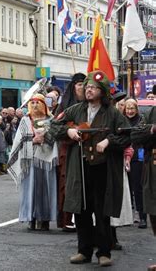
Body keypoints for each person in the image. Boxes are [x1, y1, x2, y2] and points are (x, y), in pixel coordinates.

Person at [49, 71, 130, 267]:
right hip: (80, 166)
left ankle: (104, 252)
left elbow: (127, 136)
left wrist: (109, 141)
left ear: (102, 91)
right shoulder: (75, 110)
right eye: (87, 87)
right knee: (81, 209)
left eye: (92, 87)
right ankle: (83, 250)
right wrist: (68, 130)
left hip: (103, 168)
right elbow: (53, 126)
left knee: (102, 211)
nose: (88, 90)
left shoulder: (113, 113)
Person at [9, 93, 58, 232]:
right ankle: (30, 218)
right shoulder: (25, 120)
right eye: (33, 102)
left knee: (46, 189)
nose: (35, 105)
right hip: (29, 159)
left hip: (46, 158)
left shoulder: (51, 119)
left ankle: (44, 220)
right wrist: (32, 139)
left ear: (43, 104)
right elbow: (18, 140)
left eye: (38, 102)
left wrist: (45, 137)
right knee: (30, 189)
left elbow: (56, 138)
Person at [55, 72, 86, 232]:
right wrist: (69, 130)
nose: (82, 88)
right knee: (67, 185)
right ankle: (67, 219)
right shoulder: (65, 106)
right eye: (79, 84)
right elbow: (55, 125)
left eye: (84, 84)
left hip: (87, 149)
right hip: (68, 149)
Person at [131, 103, 156, 271]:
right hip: (153, 168)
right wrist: (152, 129)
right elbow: (135, 134)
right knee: (154, 214)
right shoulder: (152, 112)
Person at [124, 98, 147, 228]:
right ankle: (127, 216)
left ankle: (142, 216)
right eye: (128, 108)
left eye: (132, 108)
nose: (130, 111)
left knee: (138, 188)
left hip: (137, 157)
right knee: (126, 188)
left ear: (136, 109)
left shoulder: (141, 120)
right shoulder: (121, 119)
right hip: (123, 156)